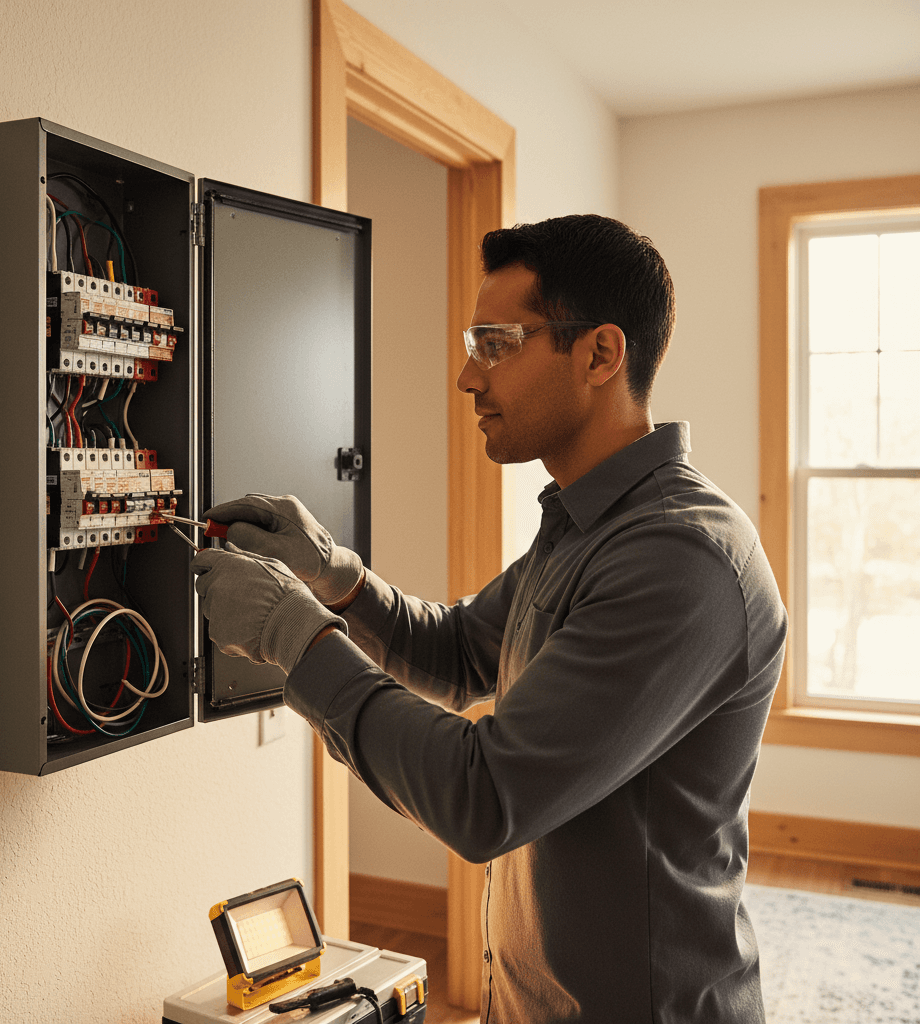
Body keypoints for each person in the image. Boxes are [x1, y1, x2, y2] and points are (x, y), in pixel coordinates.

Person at [191, 214, 788, 1024]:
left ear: (600, 355)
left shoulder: (680, 559)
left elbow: (486, 796)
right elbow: (462, 650)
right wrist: (339, 579)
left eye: (496, 345)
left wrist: (294, 638)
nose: (468, 378)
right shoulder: (588, 523)